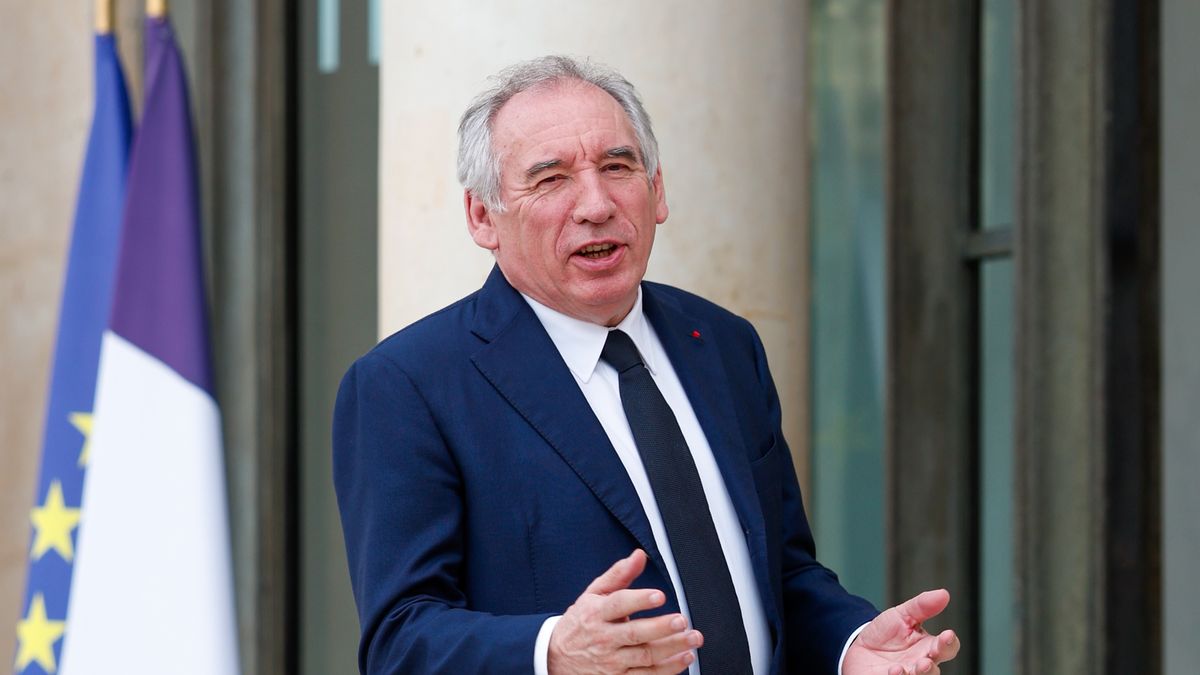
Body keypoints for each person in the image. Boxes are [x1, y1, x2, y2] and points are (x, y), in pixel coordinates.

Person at [333, 55, 960, 675]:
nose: (597, 204)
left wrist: (850, 646)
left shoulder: (722, 344)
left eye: (618, 166)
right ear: (481, 217)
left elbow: (781, 574)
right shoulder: (409, 385)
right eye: (550, 179)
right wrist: (551, 651)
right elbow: (399, 639)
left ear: (656, 191)